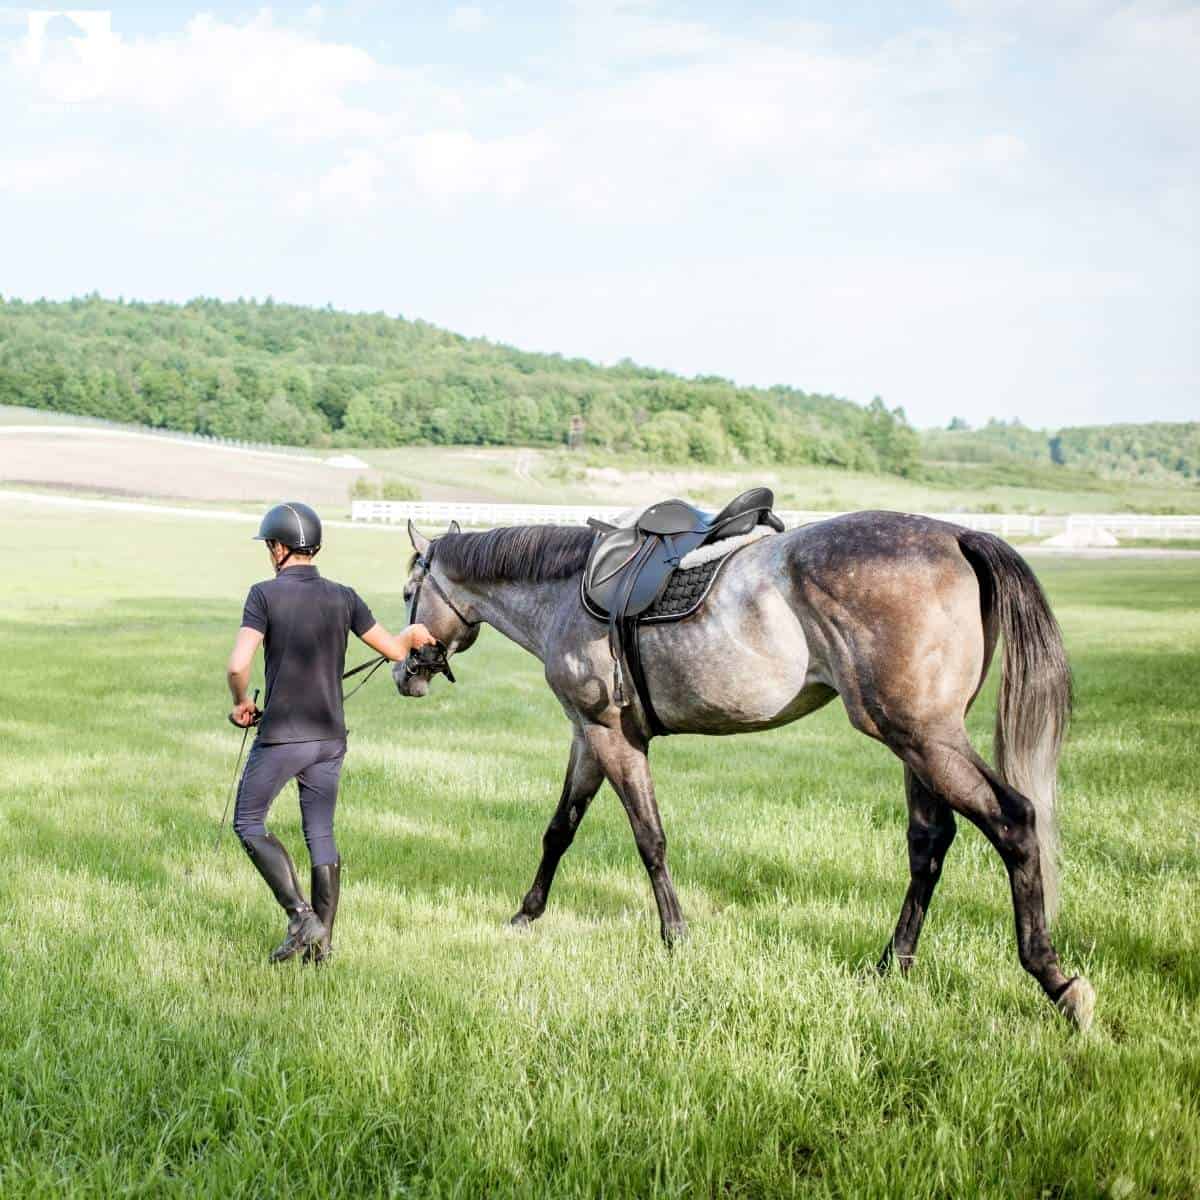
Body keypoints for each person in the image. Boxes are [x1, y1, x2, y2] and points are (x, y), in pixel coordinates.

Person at [226, 501, 436, 964]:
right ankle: (321, 949)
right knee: (319, 832)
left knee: (248, 821)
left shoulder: (264, 595)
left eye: (269, 546)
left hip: (282, 737)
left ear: (280, 548)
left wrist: (242, 702)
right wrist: (415, 632)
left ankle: (301, 915)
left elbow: (238, 664)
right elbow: (395, 650)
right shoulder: (344, 596)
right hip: (329, 739)